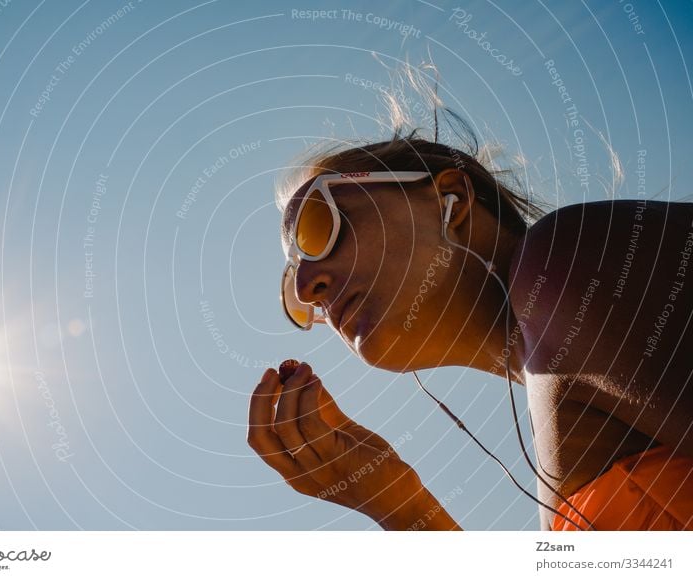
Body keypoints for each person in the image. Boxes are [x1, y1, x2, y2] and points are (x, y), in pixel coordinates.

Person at [247, 127, 693, 531]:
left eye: (318, 226)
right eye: (292, 284)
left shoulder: (565, 258)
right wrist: (398, 503)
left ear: (451, 199)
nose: (308, 289)